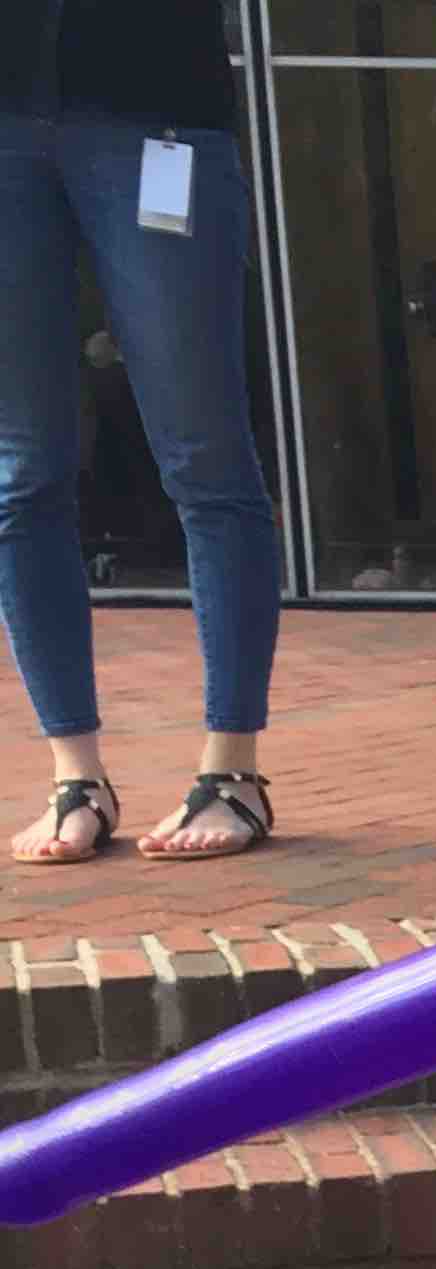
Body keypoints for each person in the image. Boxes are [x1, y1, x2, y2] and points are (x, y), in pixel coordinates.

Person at [3, 0, 283, 866]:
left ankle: (232, 772)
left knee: (206, 461)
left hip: (158, 121)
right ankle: (75, 777)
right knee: (23, 472)